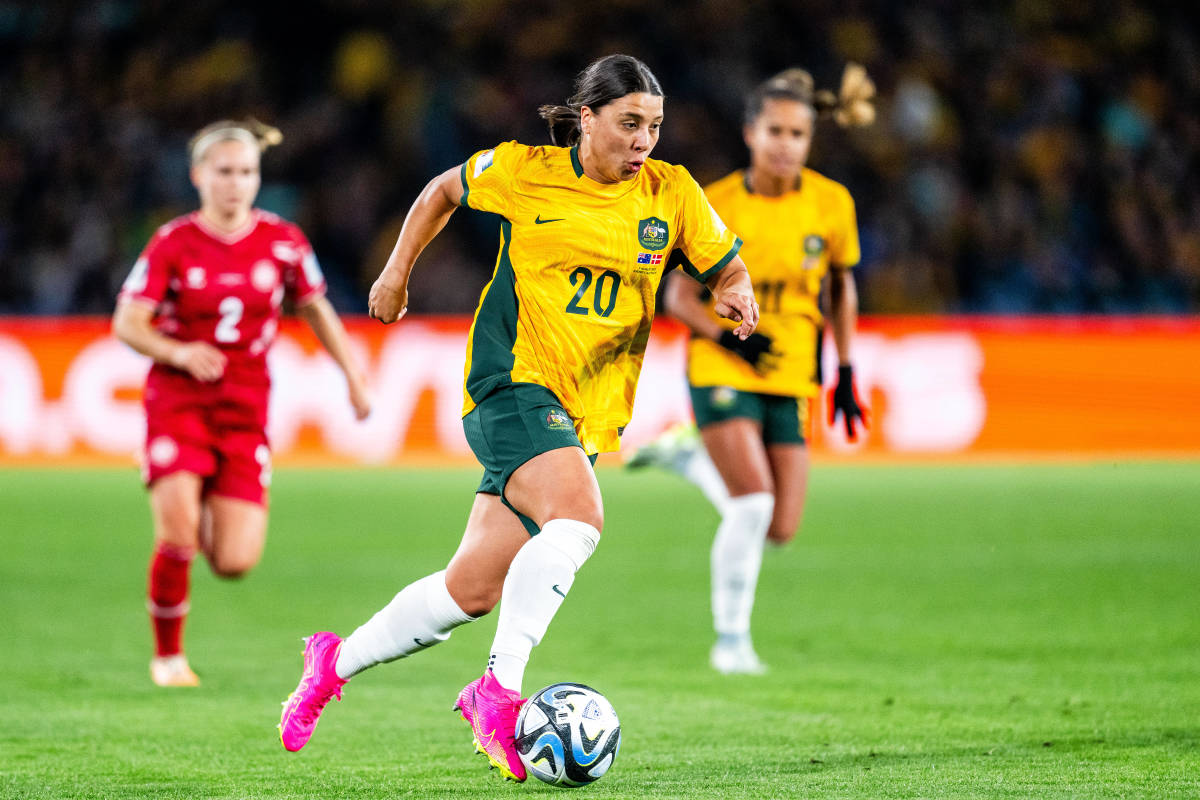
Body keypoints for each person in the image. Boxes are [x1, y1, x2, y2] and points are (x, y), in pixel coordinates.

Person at [276, 54, 759, 781]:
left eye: (654, 127)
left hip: (588, 412)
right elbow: (442, 192)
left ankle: (332, 663)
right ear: (586, 117)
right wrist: (396, 270)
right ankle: (496, 693)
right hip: (512, 385)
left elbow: (723, 263)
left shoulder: (673, 193)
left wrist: (737, 293)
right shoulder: (523, 171)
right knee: (579, 519)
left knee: (468, 590)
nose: (643, 142)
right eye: (629, 123)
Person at [625, 65, 875, 674]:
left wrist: (843, 369)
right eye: (775, 132)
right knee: (754, 502)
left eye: (798, 134)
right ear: (750, 133)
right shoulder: (715, 202)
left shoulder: (831, 202)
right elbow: (677, 295)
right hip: (722, 364)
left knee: (779, 527)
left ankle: (686, 458)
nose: (786, 145)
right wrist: (727, 339)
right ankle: (730, 641)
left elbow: (841, 288)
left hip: (793, 371)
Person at [113, 119, 371, 687]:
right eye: (225, 172)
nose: (236, 183)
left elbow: (316, 308)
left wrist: (353, 374)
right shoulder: (172, 242)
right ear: (199, 176)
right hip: (178, 402)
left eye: (247, 172)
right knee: (177, 536)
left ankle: (193, 485)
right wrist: (179, 353)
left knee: (234, 562)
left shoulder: (284, 241)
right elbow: (128, 323)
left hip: (245, 407)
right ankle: (168, 658)